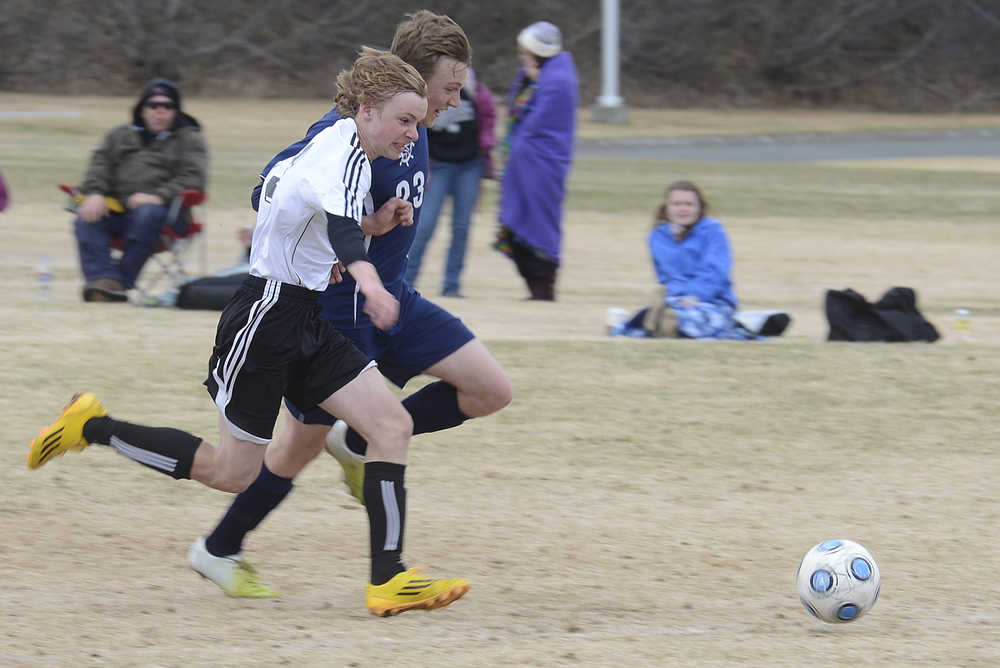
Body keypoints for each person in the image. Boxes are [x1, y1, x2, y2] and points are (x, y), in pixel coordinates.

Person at [27, 49, 471, 617]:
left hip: (307, 315)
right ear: (365, 109)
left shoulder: (356, 149)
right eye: (404, 121)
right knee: (232, 473)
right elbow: (336, 227)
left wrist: (357, 232)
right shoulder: (335, 155)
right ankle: (91, 425)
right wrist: (369, 280)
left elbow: (284, 204)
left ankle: (389, 579)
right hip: (264, 319)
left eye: (415, 122)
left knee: (391, 424)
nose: (414, 133)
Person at [185, 10, 511, 607]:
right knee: (294, 448)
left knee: (490, 389)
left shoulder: (416, 126)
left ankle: (357, 446)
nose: (456, 99)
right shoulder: (348, 130)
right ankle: (220, 546)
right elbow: (270, 191)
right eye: (450, 86)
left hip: (395, 298)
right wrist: (356, 229)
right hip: (337, 309)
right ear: (410, 81)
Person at [73, 78, 208, 302]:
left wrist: (157, 197)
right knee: (86, 218)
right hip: (119, 211)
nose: (160, 112)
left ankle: (119, 283)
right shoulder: (119, 136)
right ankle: (102, 281)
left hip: (166, 217)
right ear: (142, 110)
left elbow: (194, 179)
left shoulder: (189, 139)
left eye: (168, 106)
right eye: (153, 106)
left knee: (147, 213)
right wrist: (95, 193)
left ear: (176, 111)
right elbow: (99, 166)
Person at [611, 180, 789, 340]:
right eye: (677, 204)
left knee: (697, 320)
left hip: (713, 302)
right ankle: (653, 322)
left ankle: (665, 324)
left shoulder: (713, 231)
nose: (683, 209)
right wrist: (678, 298)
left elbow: (715, 273)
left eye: (689, 204)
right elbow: (667, 277)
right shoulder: (658, 236)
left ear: (699, 208)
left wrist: (693, 296)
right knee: (647, 314)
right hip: (675, 300)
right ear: (667, 208)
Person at [493, 21, 578, 301]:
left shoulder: (558, 80)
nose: (520, 53)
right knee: (516, 223)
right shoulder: (531, 75)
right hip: (522, 166)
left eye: (524, 49)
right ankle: (534, 288)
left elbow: (542, 124)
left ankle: (543, 289)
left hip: (543, 163)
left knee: (540, 222)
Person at [403, 65, 497, 297]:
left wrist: (486, 152)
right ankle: (406, 281)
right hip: (439, 166)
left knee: (462, 227)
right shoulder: (432, 94)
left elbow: (487, 122)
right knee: (425, 225)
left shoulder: (476, 91)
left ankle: (452, 286)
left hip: (470, 166)